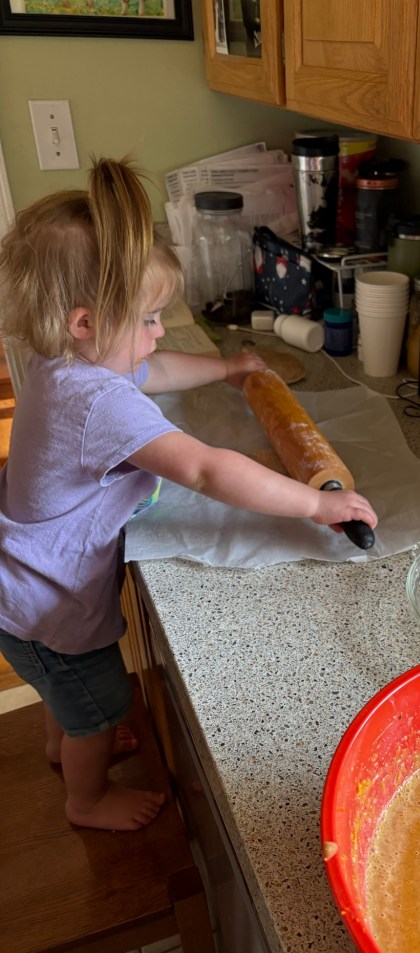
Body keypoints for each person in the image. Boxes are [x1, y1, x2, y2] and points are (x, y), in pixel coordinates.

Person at [0, 158, 377, 832]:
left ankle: (66, 740)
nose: (156, 333)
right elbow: (205, 470)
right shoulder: (95, 403)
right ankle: (86, 798)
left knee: (66, 694)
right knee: (99, 703)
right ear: (85, 321)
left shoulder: (64, 360)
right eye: (148, 318)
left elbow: (155, 369)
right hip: (51, 603)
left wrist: (227, 367)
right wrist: (317, 505)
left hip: (22, 586)